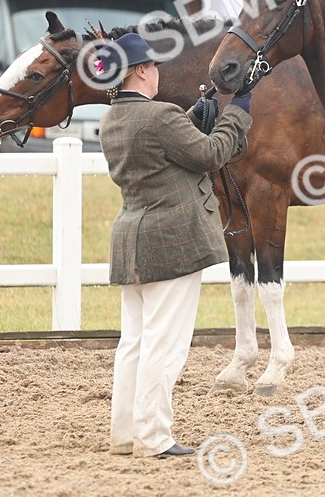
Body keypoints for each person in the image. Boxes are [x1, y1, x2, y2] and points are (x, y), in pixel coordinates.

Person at [97, 32, 252, 458]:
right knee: (164, 345)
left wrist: (189, 118)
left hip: (132, 238)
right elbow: (208, 155)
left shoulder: (112, 120)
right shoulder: (160, 116)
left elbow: (162, 147)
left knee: (134, 343)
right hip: (173, 240)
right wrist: (236, 113)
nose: (158, 73)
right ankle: (154, 436)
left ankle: (126, 433)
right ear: (143, 70)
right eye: (155, 67)